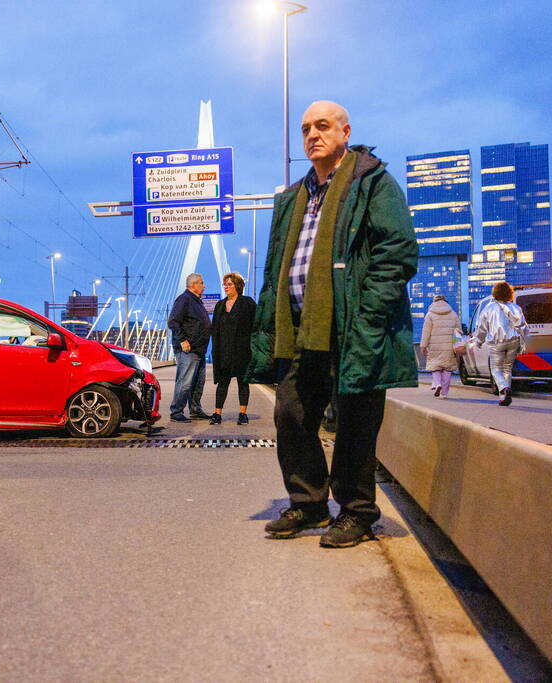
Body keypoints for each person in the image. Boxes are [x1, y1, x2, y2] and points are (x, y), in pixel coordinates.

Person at [244, 100, 418, 548]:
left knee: (356, 421)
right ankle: (308, 502)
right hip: (300, 326)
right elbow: (274, 268)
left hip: (351, 325)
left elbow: (396, 251)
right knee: (290, 413)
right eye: (304, 129)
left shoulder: (372, 183)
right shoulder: (292, 198)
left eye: (321, 126)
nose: (311, 136)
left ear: (345, 132)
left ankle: (357, 511)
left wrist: (369, 314)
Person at [209, 272, 256, 425]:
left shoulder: (247, 303)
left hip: (242, 351)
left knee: (243, 382)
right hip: (224, 351)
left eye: (229, 284)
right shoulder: (220, 305)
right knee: (223, 383)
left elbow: (256, 326)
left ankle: (242, 414)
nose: (226, 287)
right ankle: (217, 414)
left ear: (238, 286)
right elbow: (215, 329)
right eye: (225, 284)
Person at [473, 280, 528, 406]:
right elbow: (522, 325)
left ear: (495, 293)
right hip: (514, 340)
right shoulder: (516, 307)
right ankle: (503, 397)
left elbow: (482, 327)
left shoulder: (488, 308)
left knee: (496, 369)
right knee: (507, 368)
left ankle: (503, 388)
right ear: (510, 293)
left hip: (497, 342)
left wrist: (479, 341)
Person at [167, 273, 211, 422]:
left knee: (198, 382)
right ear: (193, 285)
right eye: (202, 283)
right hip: (188, 350)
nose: (204, 286)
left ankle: (195, 409)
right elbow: (173, 321)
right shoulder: (184, 299)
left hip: (199, 350)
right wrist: (182, 340)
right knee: (185, 382)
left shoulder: (197, 301)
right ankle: (176, 411)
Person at [420, 294, 462, 398]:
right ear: (445, 301)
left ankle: (438, 384)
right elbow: (458, 331)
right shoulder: (453, 314)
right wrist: (458, 346)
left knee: (435, 367)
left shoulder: (430, 315)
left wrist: (423, 346)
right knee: (447, 369)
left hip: (434, 345)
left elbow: (426, 332)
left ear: (433, 302)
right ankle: (444, 393)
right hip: (449, 346)